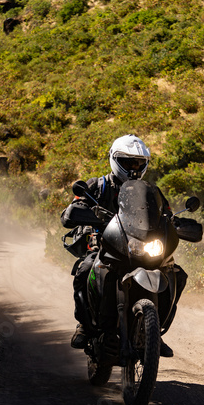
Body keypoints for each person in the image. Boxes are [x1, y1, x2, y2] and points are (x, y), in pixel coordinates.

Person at [60, 134, 187, 357]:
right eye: (128, 162)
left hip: (140, 247)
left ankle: (154, 333)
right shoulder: (97, 186)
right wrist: (82, 212)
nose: (134, 167)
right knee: (85, 269)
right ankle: (85, 325)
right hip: (106, 245)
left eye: (139, 163)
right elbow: (71, 211)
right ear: (115, 160)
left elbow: (164, 213)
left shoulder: (151, 191)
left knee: (177, 273)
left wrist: (175, 221)